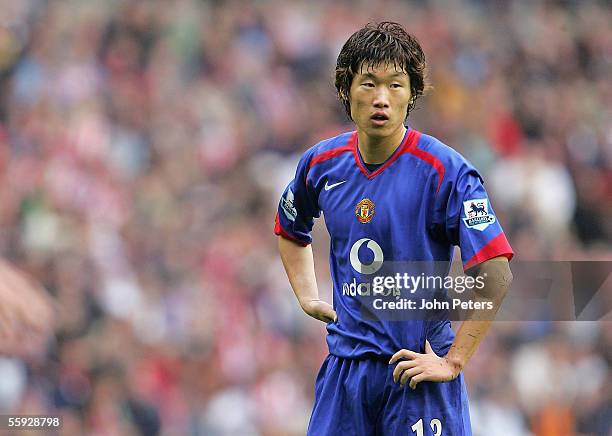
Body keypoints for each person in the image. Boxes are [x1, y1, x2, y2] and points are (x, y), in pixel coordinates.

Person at [275, 22, 513, 435]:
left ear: (412, 96)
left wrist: (452, 361)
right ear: (346, 91)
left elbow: (495, 273)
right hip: (345, 376)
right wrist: (308, 296)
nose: (381, 99)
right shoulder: (320, 164)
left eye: (396, 86)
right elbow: (290, 228)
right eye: (368, 83)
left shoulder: (447, 172)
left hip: (415, 371)